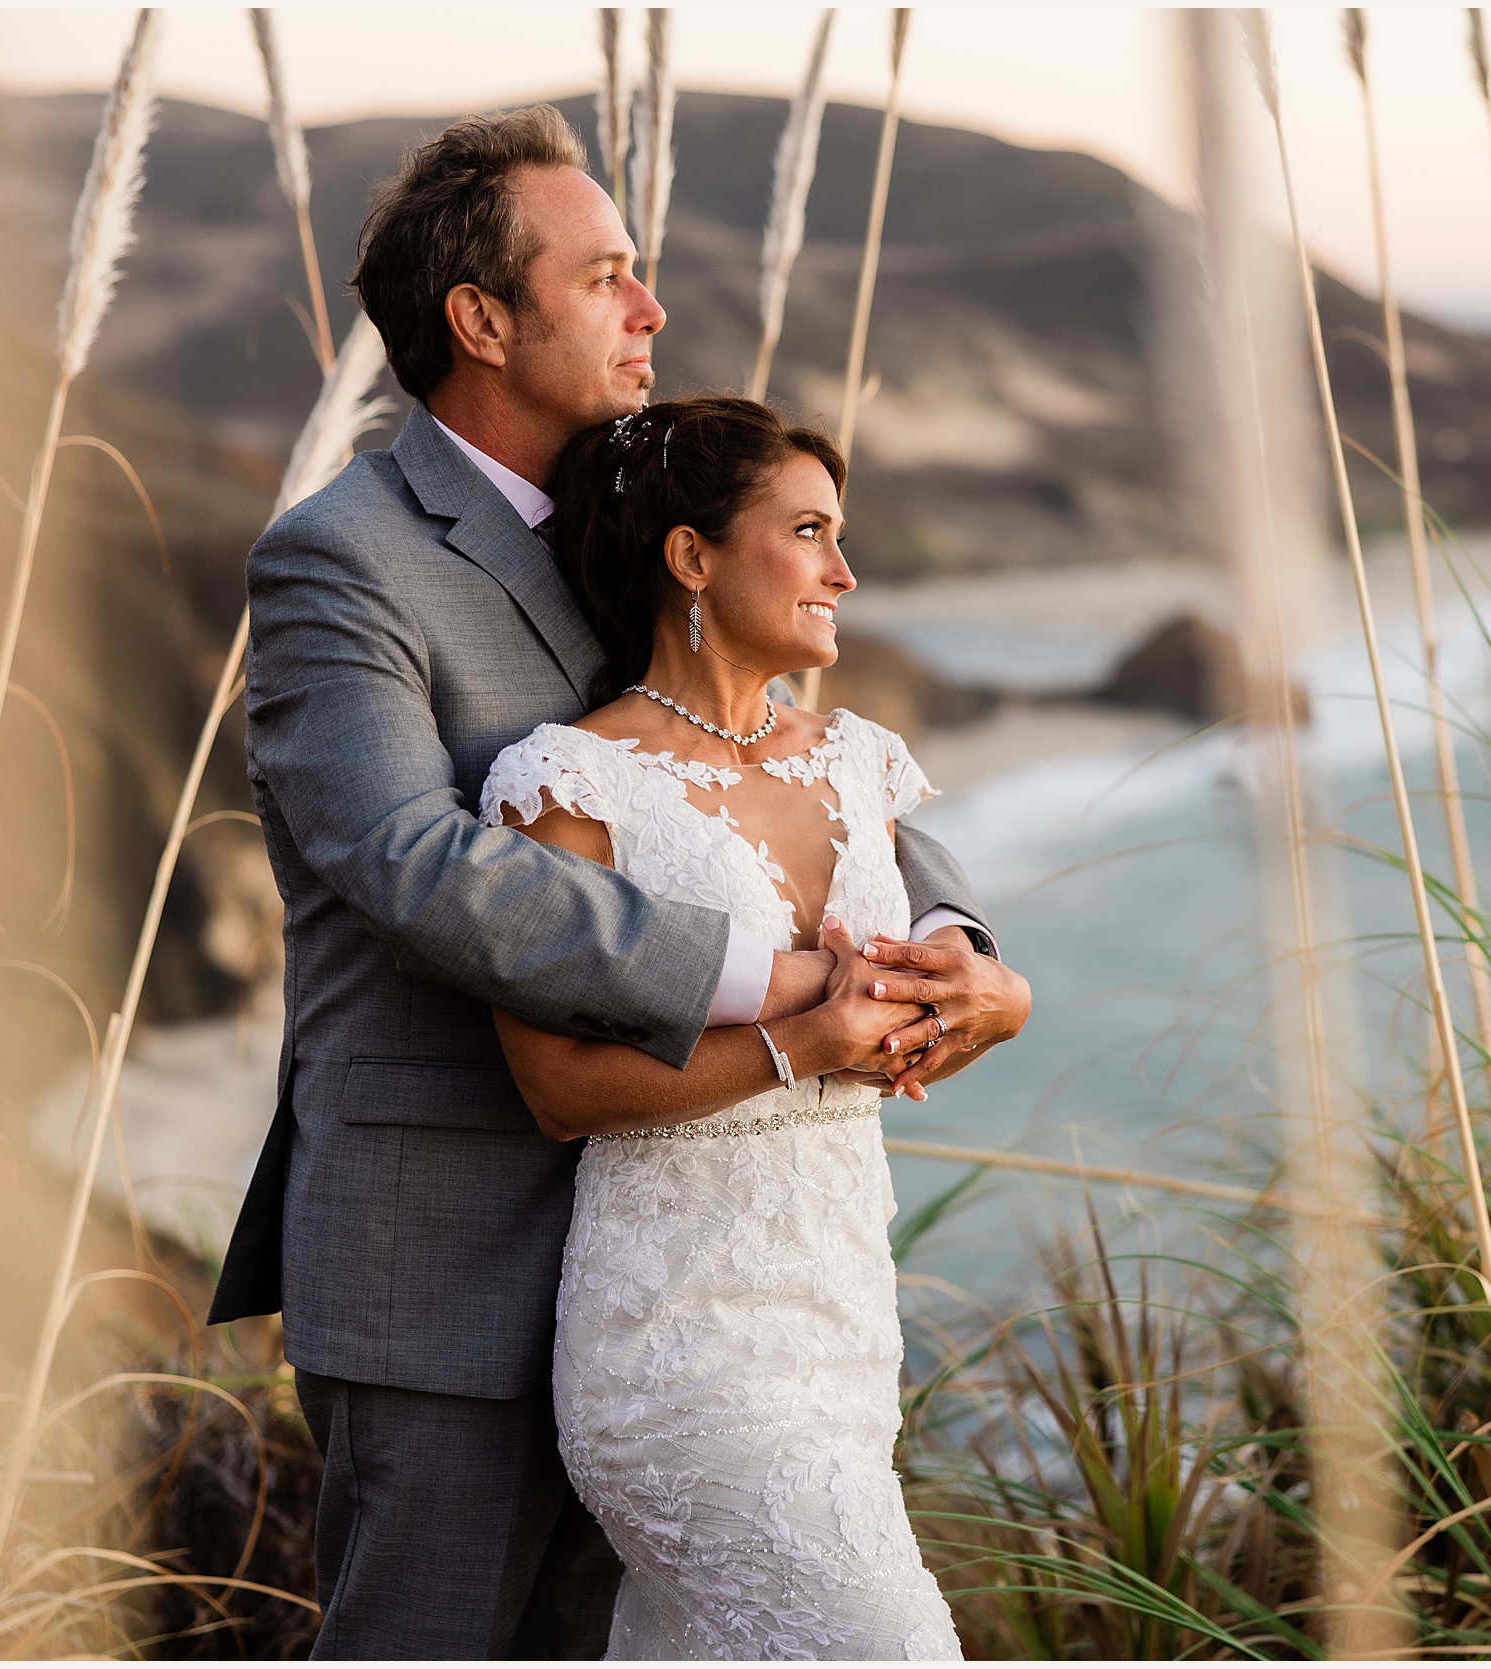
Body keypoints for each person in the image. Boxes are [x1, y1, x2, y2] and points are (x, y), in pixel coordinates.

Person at [206, 105, 1030, 1660]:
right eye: (608, 276)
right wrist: (783, 977)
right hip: (447, 1249)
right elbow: (412, 860)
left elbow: (763, 753)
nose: (652, 309)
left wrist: (949, 939)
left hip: (698, 1282)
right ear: (482, 321)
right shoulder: (343, 560)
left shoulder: (642, 524)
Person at [481, 394, 983, 1660]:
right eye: (808, 531)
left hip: (841, 1315)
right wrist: (803, 1047)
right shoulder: (571, 782)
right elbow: (555, 1087)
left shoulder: (860, 759)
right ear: (691, 555)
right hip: (677, 1341)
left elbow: (946, 962)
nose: (843, 571)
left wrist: (968, 997)